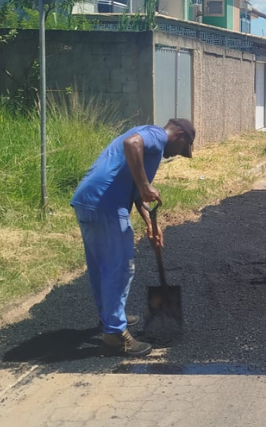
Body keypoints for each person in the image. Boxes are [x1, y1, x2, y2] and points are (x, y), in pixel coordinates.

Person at [71, 118, 196, 356]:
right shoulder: (156, 136)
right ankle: (116, 334)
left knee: (100, 266)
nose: (178, 154)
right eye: (183, 150)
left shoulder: (148, 141)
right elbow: (132, 144)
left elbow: (137, 193)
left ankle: (109, 317)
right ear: (180, 136)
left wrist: (151, 224)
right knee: (120, 268)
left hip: (87, 200)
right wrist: (145, 184)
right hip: (107, 205)